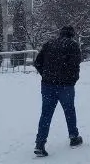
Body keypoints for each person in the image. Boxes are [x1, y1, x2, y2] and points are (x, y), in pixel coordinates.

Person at [32, 25, 83, 157]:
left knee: (46, 114)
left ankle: (40, 144)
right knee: (69, 111)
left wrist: (45, 74)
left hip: (48, 85)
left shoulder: (49, 44)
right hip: (65, 86)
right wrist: (72, 79)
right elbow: (75, 65)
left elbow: (37, 62)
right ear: (71, 34)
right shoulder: (72, 45)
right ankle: (73, 137)